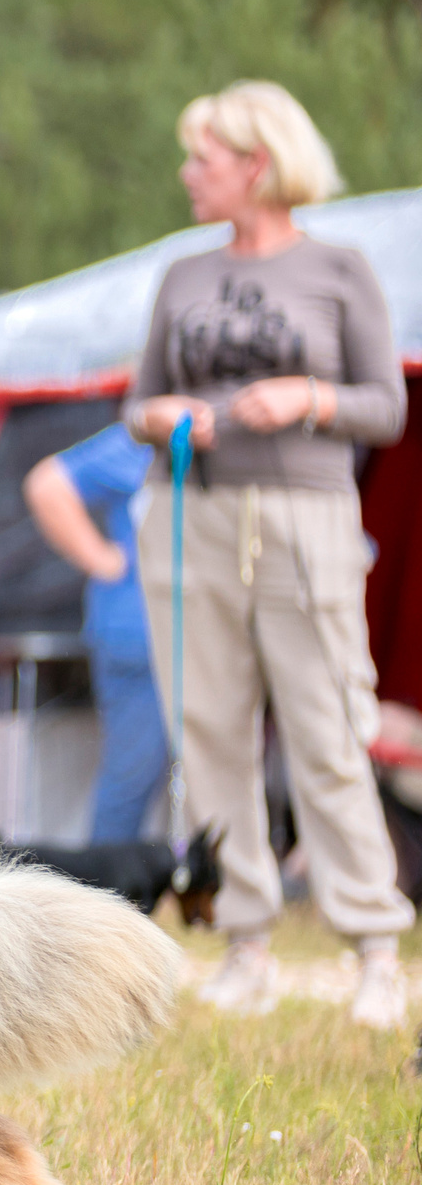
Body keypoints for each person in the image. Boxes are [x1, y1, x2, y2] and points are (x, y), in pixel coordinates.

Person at [127, 79, 414, 1030]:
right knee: (208, 726)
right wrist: (161, 417)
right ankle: (244, 939)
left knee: (328, 729)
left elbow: (387, 405)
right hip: (189, 514)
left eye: (202, 157)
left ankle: (375, 946)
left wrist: (309, 400)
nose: (187, 173)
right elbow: (138, 402)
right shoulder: (181, 277)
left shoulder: (339, 269)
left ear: (256, 164)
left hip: (304, 519)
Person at [24, 427, 169, 842]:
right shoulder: (145, 439)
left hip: (189, 631)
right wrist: (103, 560)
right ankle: (106, 895)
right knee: (130, 779)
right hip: (139, 631)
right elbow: (47, 484)